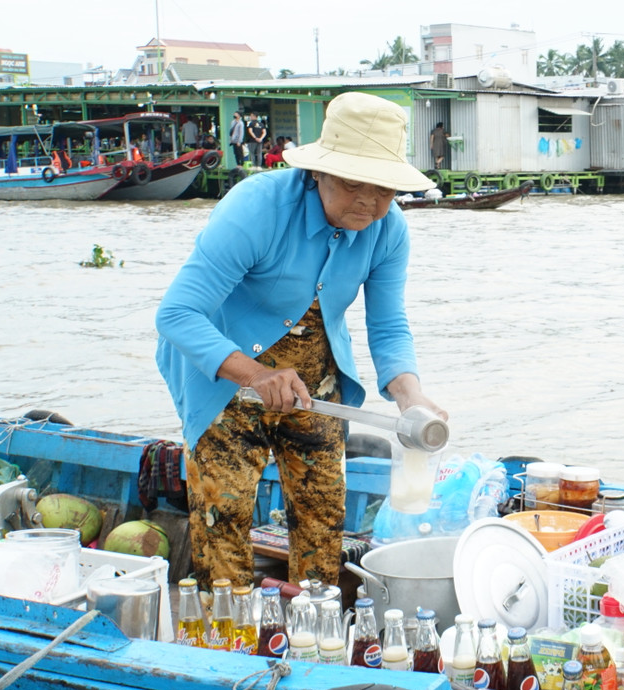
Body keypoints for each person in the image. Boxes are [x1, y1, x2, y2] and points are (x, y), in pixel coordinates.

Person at [155, 92, 445, 588]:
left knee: (323, 520)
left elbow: (389, 326)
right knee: (221, 522)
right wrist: (257, 375)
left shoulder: (387, 229)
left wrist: (411, 397)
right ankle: (231, 644)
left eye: (385, 190)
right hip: (226, 376)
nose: (369, 202)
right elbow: (177, 314)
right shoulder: (257, 208)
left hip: (315, 384)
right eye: (355, 183)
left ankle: (317, 630)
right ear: (319, 172)